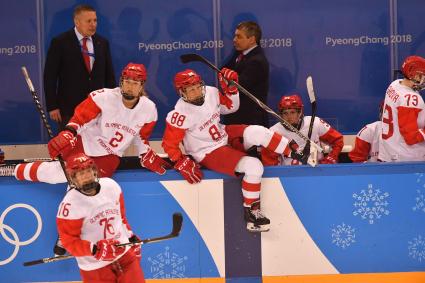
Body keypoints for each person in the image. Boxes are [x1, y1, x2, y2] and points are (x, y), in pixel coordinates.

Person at [162, 69, 304, 232]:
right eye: (190, 89)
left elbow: (231, 107)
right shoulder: (179, 114)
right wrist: (180, 161)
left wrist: (231, 90)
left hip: (223, 135)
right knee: (254, 166)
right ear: (182, 93)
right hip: (207, 151)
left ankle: (296, 152)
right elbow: (169, 144)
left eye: (197, 86)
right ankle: (252, 214)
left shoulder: (211, 92)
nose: (196, 91)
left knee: (258, 131)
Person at [14, 62, 169, 184]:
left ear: (142, 86)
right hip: (85, 142)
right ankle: (14, 170)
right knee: (56, 175)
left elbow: (141, 137)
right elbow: (81, 118)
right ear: (121, 82)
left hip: (109, 156)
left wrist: (145, 153)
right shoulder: (103, 97)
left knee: (88, 186)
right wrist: (68, 133)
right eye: (127, 82)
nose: (130, 87)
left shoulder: (149, 110)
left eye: (135, 83)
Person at [57, 153, 145, 283]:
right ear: (73, 179)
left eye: (88, 171)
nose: (87, 177)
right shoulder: (70, 206)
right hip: (94, 267)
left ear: (94, 171)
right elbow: (69, 242)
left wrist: (131, 237)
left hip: (123, 254)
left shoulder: (111, 186)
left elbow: (120, 217)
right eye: (81, 174)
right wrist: (94, 249)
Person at [44, 4, 116, 130]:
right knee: (70, 148)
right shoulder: (60, 42)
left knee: (96, 148)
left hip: (98, 108)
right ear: (77, 22)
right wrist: (52, 106)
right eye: (88, 21)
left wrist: (113, 104)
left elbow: (109, 76)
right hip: (69, 109)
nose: (93, 24)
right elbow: (50, 77)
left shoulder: (102, 43)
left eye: (95, 20)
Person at [261, 94, 344, 166]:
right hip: (289, 175)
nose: (289, 117)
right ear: (280, 114)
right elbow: (269, 162)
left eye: (292, 112)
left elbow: (338, 140)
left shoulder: (315, 123)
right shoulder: (274, 132)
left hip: (317, 171)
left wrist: (332, 157)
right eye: (285, 113)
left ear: (300, 112)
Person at [222, 21, 270, 127]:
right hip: (238, 119)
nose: (234, 40)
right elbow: (222, 70)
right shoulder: (240, 54)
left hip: (250, 122)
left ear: (252, 39)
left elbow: (237, 86)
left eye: (239, 37)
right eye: (235, 36)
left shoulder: (257, 61)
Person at [378, 55, 425, 162]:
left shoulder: (395, 84)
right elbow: (411, 137)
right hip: (407, 158)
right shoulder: (411, 99)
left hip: (388, 152)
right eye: (423, 76)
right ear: (414, 75)